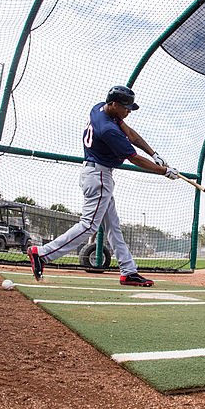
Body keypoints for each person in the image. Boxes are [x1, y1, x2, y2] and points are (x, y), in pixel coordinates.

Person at [27, 85, 178, 286]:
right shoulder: (108, 131)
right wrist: (164, 172)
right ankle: (42, 254)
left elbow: (131, 134)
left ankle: (128, 271)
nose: (128, 111)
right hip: (98, 176)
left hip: (96, 173)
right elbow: (134, 158)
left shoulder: (99, 108)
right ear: (114, 104)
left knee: (113, 227)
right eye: (125, 108)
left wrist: (154, 154)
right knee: (89, 225)